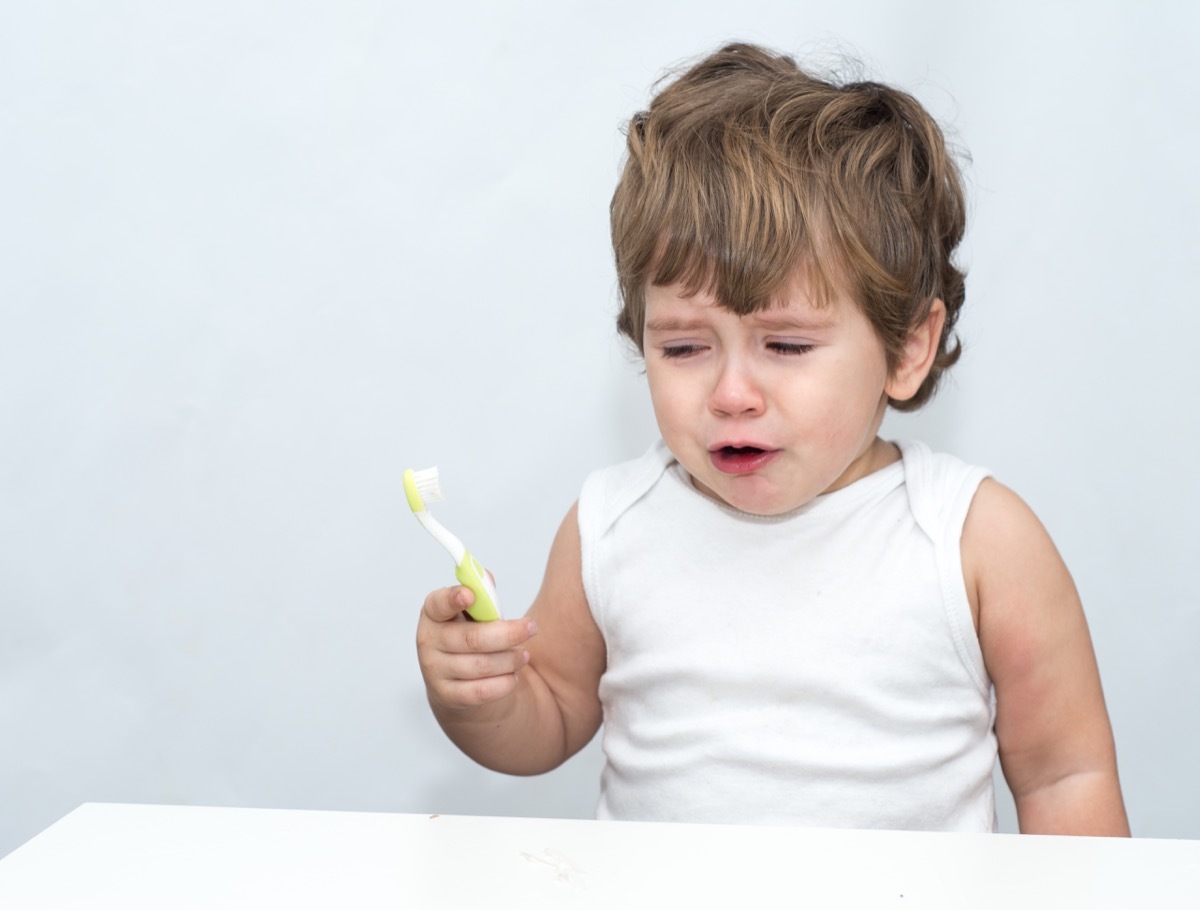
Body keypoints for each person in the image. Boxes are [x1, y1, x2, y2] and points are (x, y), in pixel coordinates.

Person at [415, 42, 1129, 835]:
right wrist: (479, 696)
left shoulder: (975, 542)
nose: (729, 394)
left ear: (906, 349)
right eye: (684, 347)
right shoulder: (612, 527)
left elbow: (1067, 777)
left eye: (785, 346)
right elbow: (544, 721)